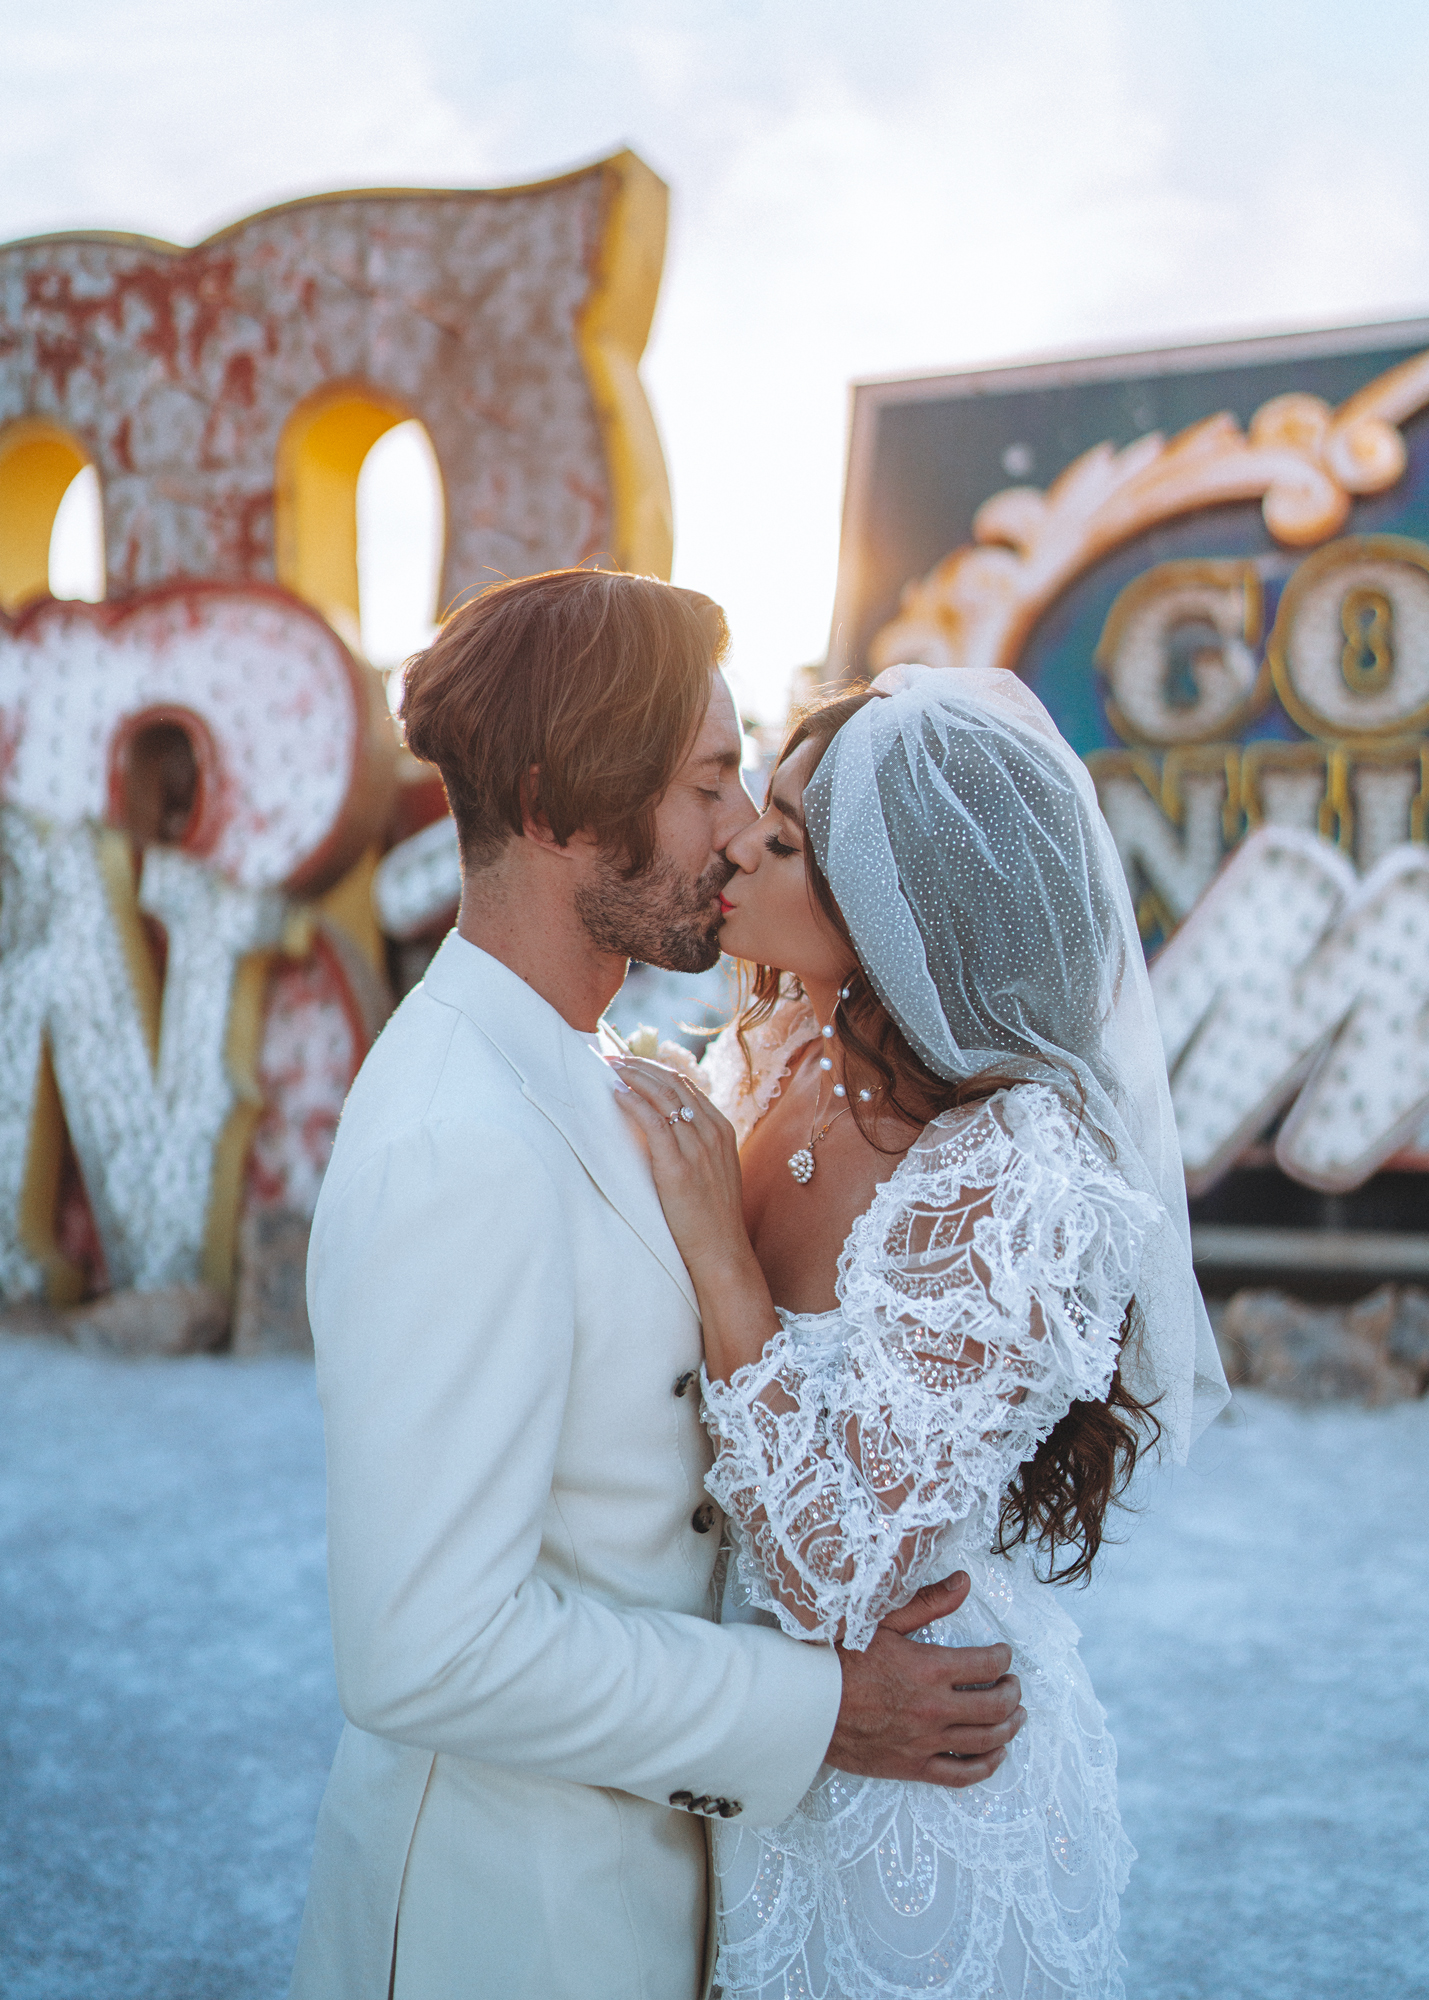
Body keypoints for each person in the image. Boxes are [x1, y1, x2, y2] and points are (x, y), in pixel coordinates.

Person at [287, 576, 1027, 2000]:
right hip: (505, 1926)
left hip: (654, 1900)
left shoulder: (596, 1060)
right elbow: (422, 1653)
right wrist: (821, 1711)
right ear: (558, 801)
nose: (747, 825)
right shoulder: (456, 1139)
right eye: (706, 781)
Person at [612, 664, 1230, 2000]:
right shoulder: (773, 1051)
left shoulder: (1017, 1170)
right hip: (749, 1753)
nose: (735, 849)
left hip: (925, 1792)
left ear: (898, 900)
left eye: (782, 842)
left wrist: (722, 1252)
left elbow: (845, 1575)